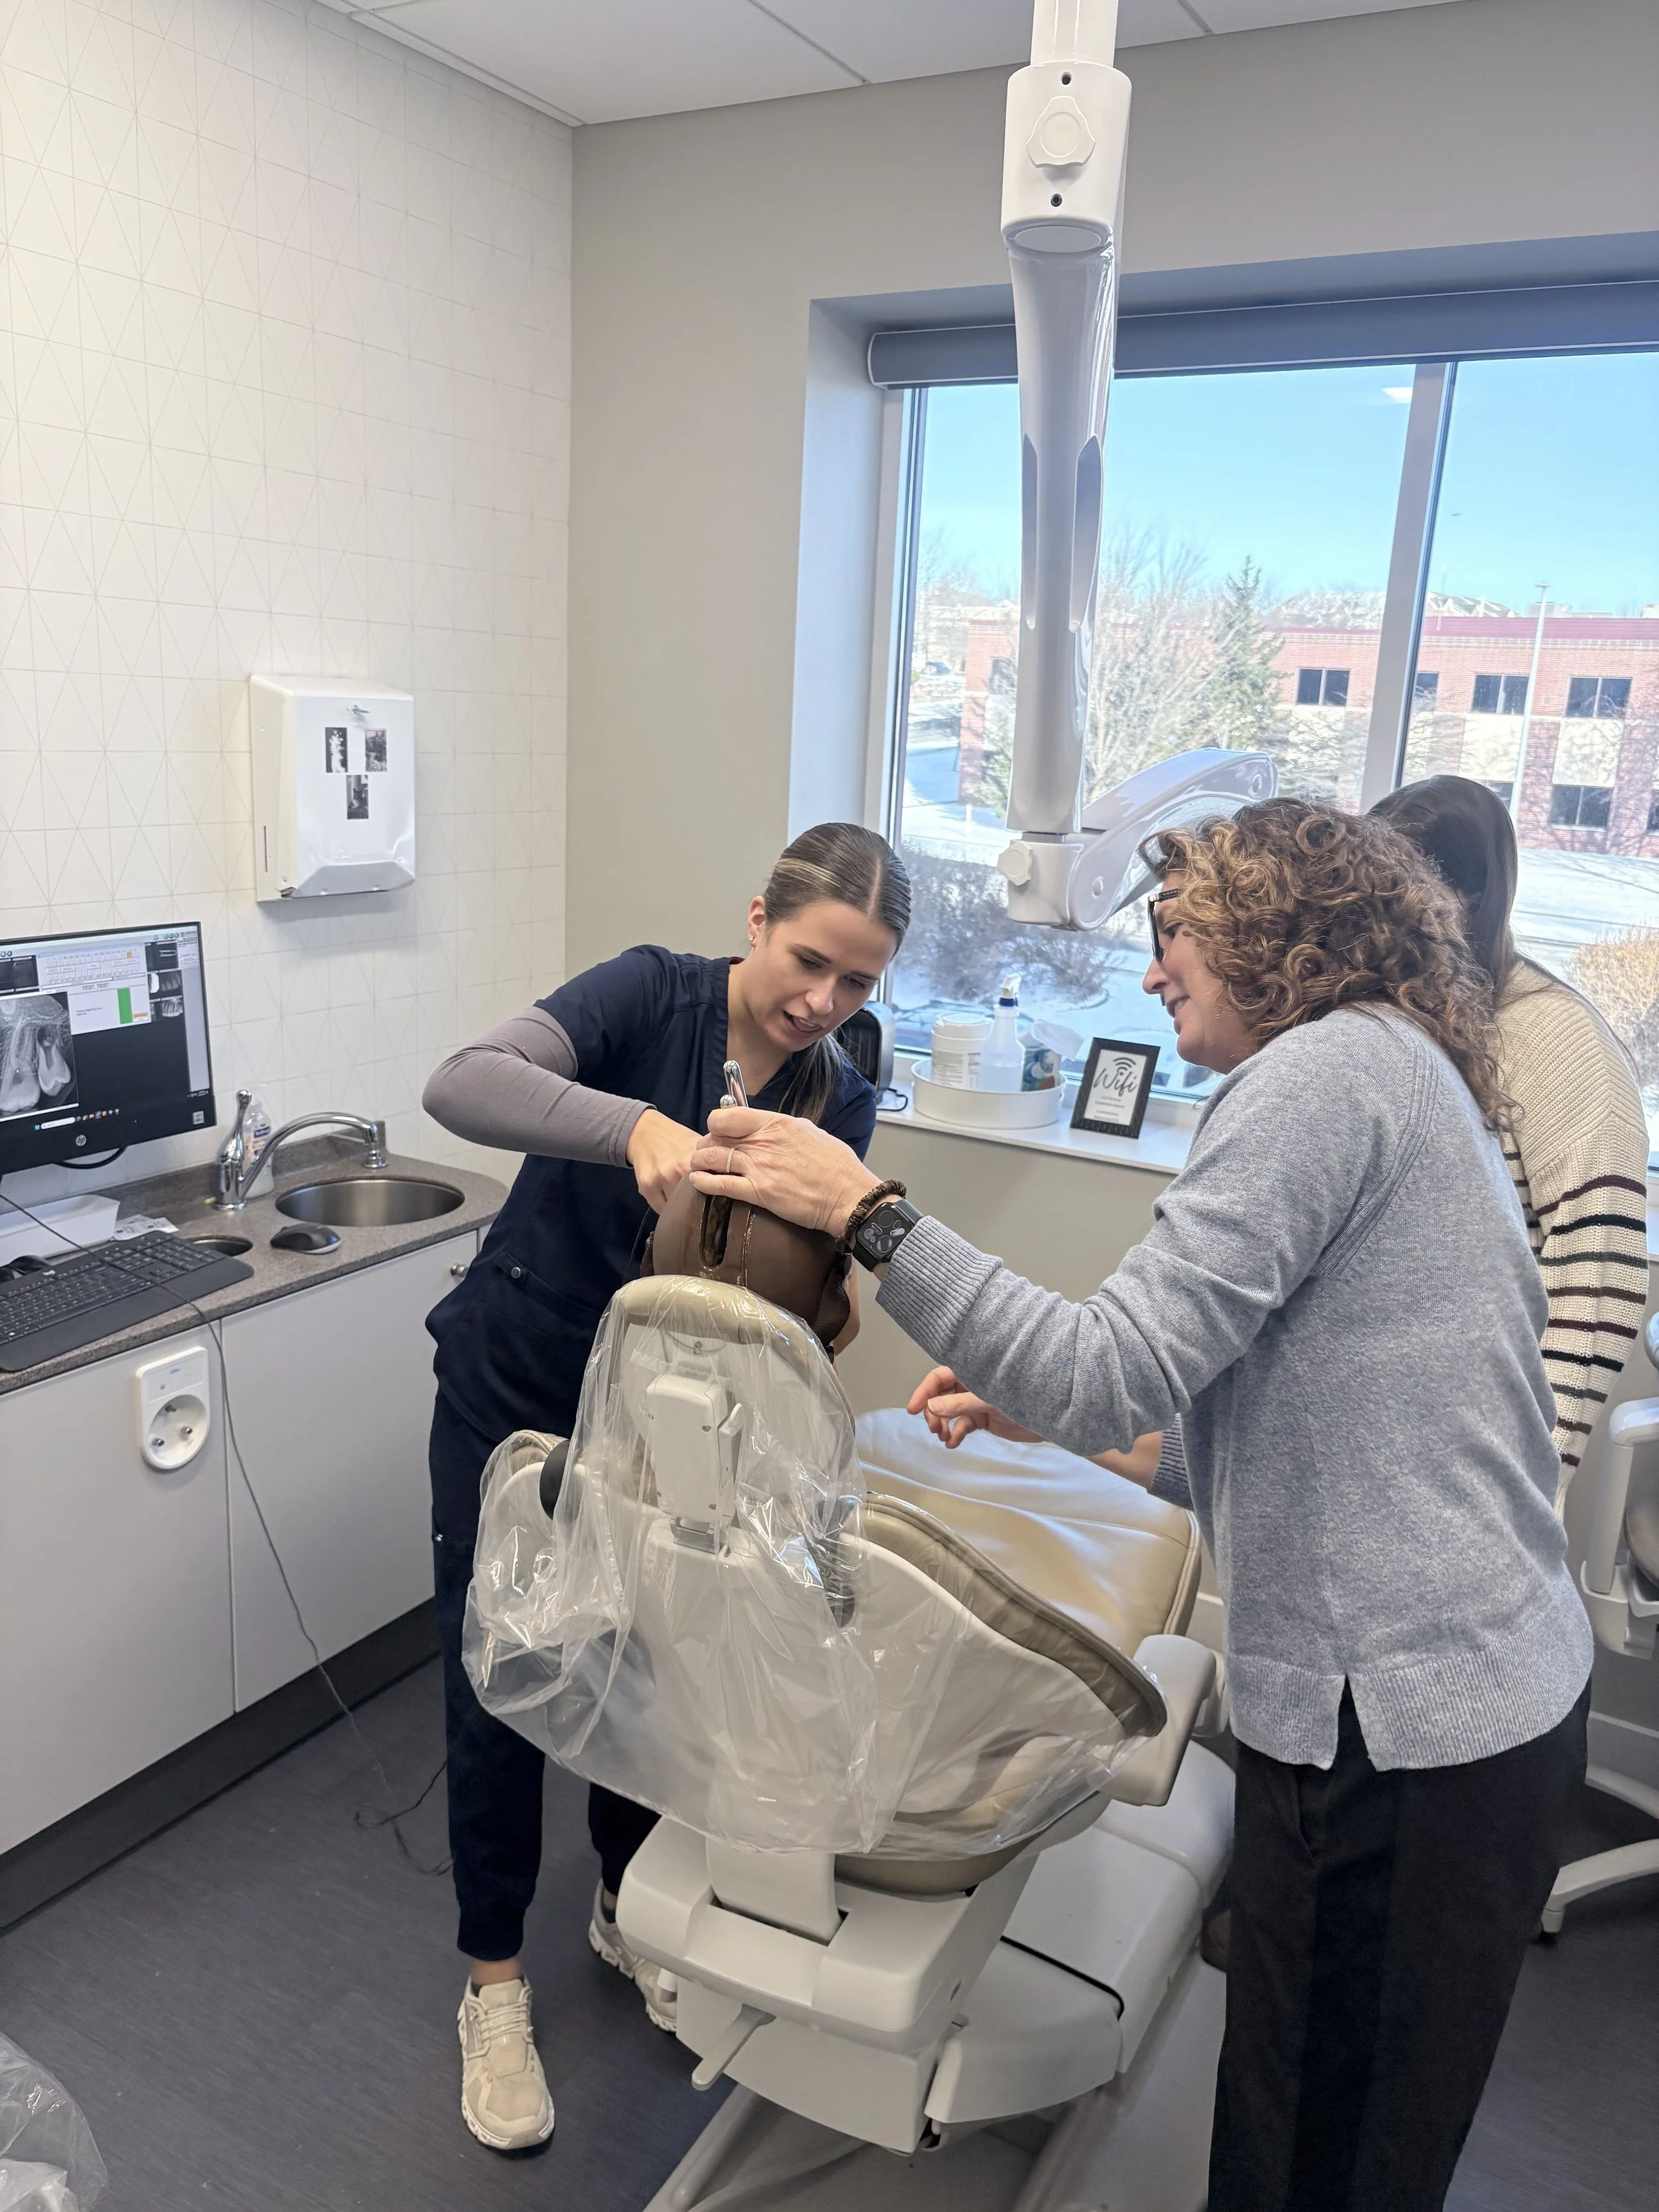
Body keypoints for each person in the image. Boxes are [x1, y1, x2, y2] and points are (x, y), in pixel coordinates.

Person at [688, 799, 1594, 2212]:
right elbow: (1299, 1402)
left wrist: (869, 1211)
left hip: (1413, 1737)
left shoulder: (1319, 1079)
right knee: (1321, 2134)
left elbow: (1109, 1362)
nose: (1155, 967)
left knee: (1322, 2162)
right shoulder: (1390, 1068)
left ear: (1280, 936)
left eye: (1179, 934)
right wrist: (1063, 1421)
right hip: (1455, 1709)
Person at [420, 822, 909, 2152]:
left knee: (643, 1670)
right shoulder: (651, 994)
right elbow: (462, 1083)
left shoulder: (837, 1095)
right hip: (515, 1388)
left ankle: (626, 1903)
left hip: (664, 1424)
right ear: (757, 916)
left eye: (858, 984)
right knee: (501, 1681)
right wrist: (631, 1123)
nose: (822, 1002)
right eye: (809, 960)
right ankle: (494, 1983)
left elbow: (791, 1277)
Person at [1372, 774, 1650, 1498]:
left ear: (1460, 899)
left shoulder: (1557, 1039)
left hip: (1481, 1465)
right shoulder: (1402, 1019)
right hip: (1384, 1431)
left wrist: (1528, 1475)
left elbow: (1600, 1282)